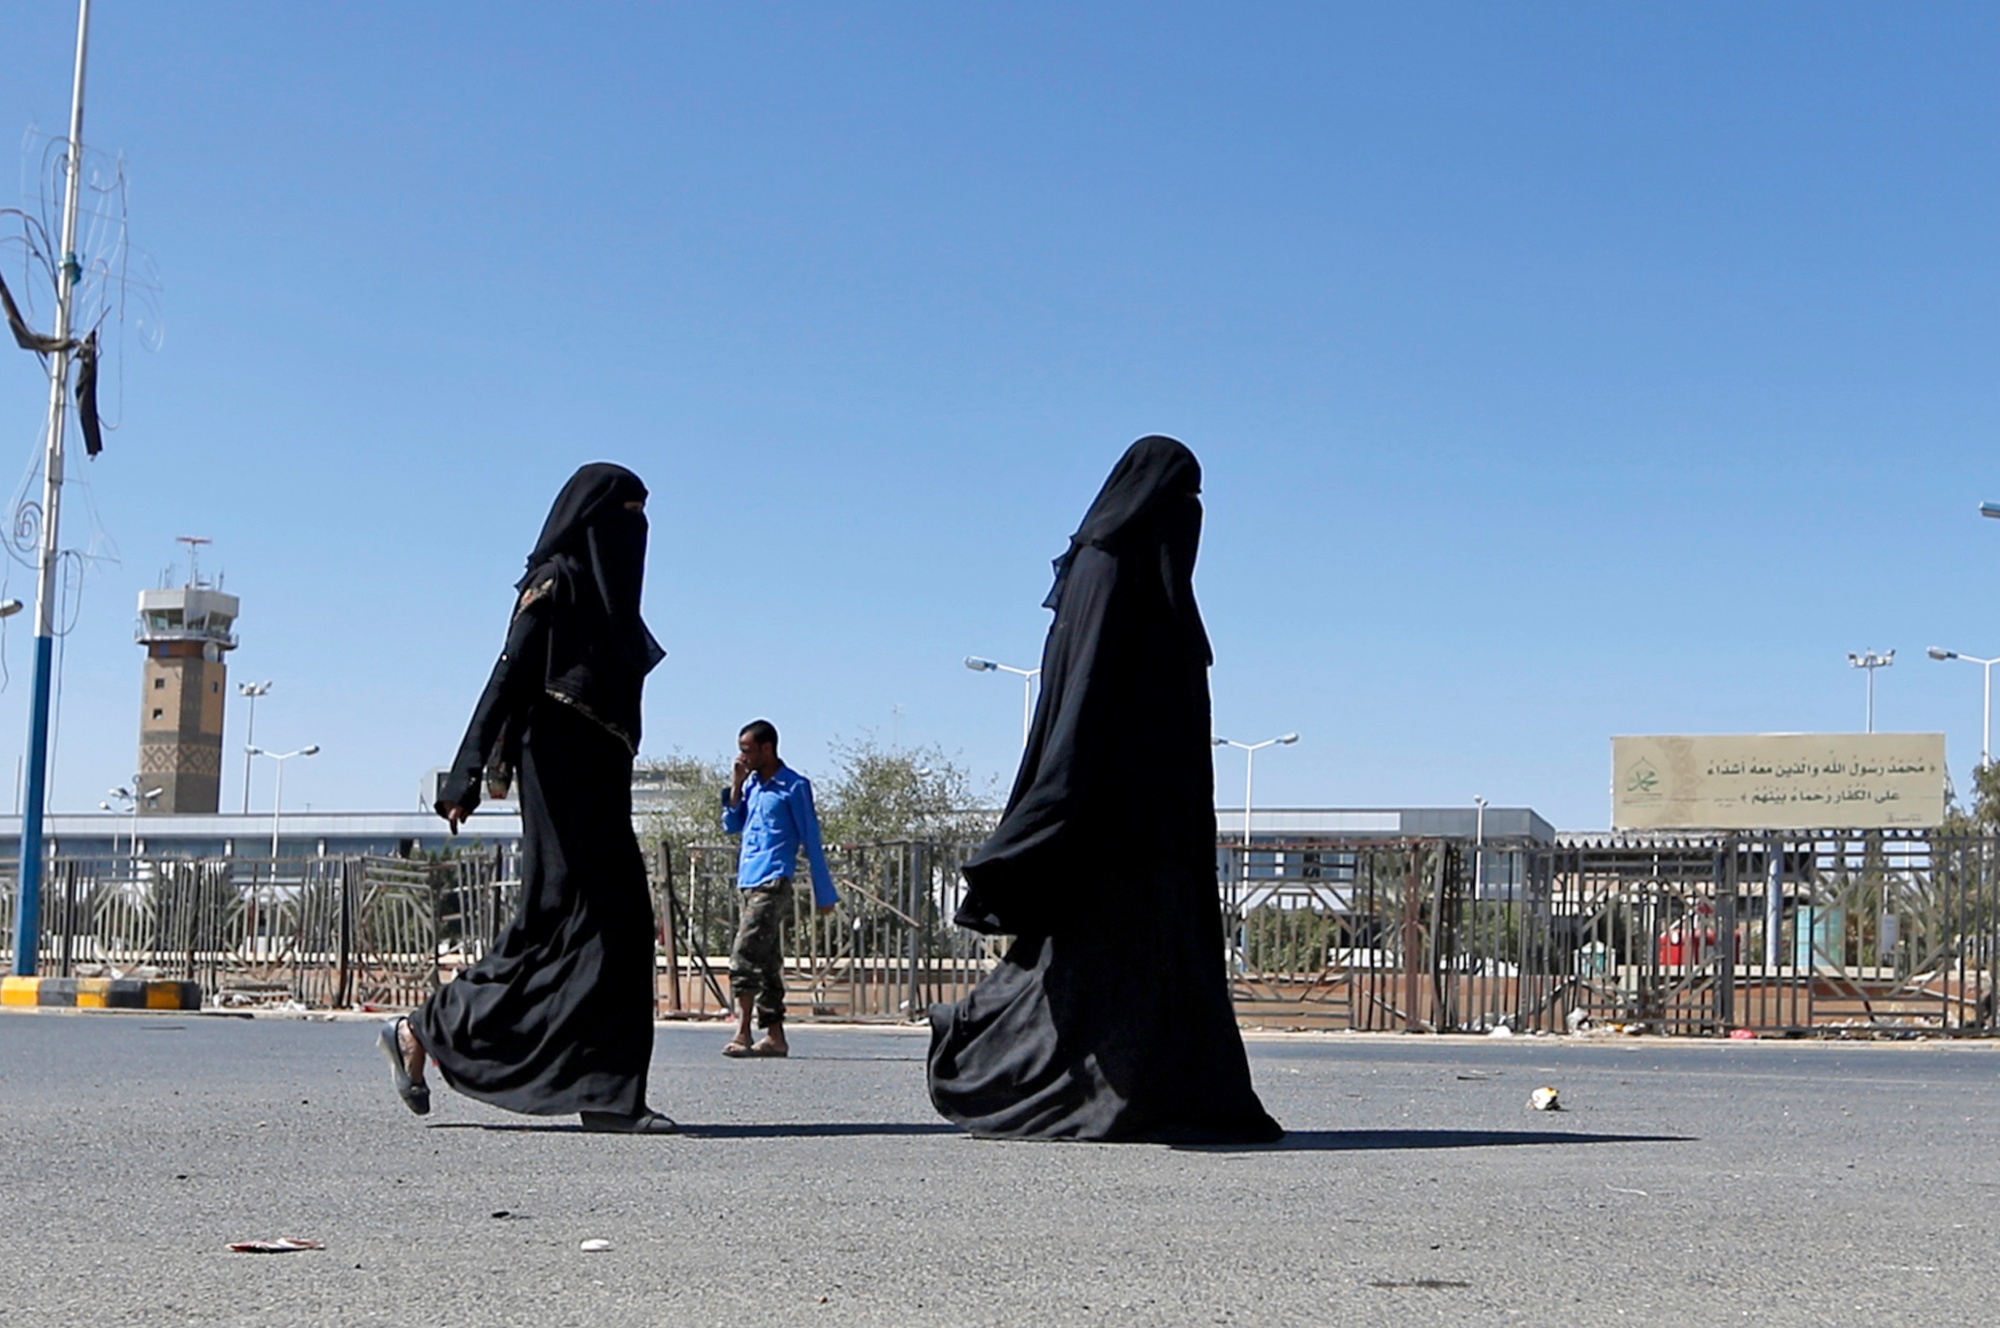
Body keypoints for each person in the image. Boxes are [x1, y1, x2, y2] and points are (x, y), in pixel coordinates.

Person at [927, 436, 1283, 1143]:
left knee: (1143, 959)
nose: (1191, 518)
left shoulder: (1141, 569)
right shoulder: (1111, 566)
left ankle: (1154, 1094)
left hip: (1159, 820)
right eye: (1183, 502)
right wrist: (1051, 811)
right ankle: (1008, 1063)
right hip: (1116, 818)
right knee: (1104, 958)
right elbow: (1084, 695)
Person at [376, 462, 676, 1133]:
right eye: (627, 513)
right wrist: (468, 774)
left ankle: (604, 1093)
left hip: (602, 781)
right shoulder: (559, 582)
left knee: (610, 931)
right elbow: (507, 678)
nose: (638, 529)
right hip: (560, 776)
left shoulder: (610, 605)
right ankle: (434, 1029)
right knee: (569, 921)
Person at [719, 719, 838, 1058]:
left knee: (743, 955)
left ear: (766, 748)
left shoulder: (794, 787)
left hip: (773, 881)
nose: (742, 757)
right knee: (767, 961)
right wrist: (737, 786)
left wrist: (824, 893)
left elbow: (811, 840)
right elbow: (731, 825)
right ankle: (775, 1036)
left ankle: (741, 1031)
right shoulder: (753, 786)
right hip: (748, 880)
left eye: (747, 750)